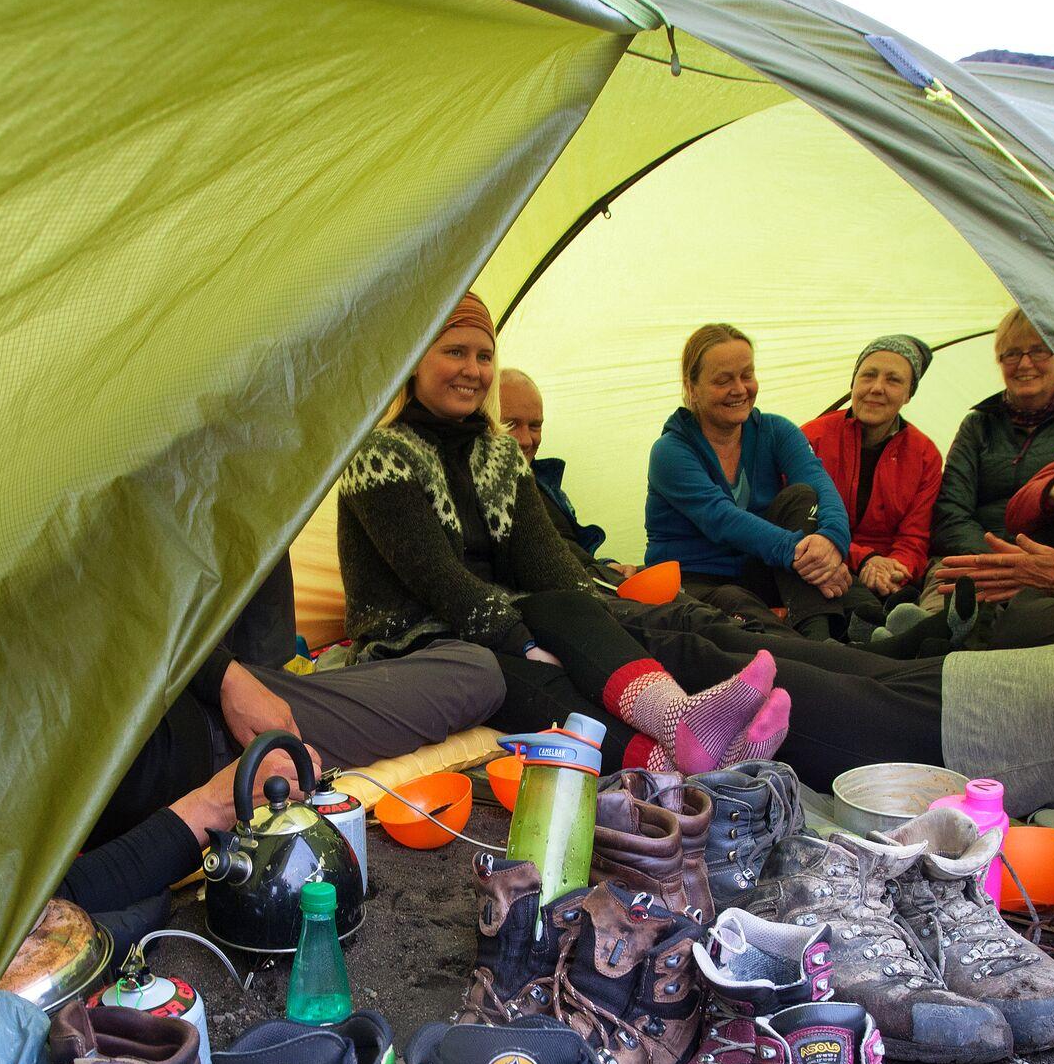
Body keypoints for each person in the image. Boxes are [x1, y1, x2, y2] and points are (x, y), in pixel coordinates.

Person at [630, 447, 1054, 812]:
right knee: (861, 666)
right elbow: (979, 508)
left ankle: (634, 627)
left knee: (837, 687)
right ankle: (641, 620)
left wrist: (879, 557)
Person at [338, 293, 788, 774]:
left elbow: (546, 561)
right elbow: (435, 577)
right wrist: (524, 641)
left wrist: (595, 624)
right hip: (411, 637)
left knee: (570, 605)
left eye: (484, 355)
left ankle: (682, 721)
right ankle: (678, 763)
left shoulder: (499, 454)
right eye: (455, 352)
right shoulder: (377, 454)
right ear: (413, 360)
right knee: (509, 673)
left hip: (491, 614)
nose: (473, 369)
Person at [63, 639, 504, 943]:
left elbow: (140, 607)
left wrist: (225, 677)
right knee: (474, 676)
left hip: (203, 697)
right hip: (202, 784)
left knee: (479, 670)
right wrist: (214, 804)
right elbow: (53, 905)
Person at [644, 323, 854, 631]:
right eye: (723, 380)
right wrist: (805, 555)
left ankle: (860, 629)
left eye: (747, 375)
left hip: (757, 568)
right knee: (745, 610)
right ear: (692, 388)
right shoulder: (671, 452)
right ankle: (827, 641)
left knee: (801, 498)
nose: (740, 389)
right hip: (694, 578)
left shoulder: (776, 430)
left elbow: (819, 482)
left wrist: (831, 541)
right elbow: (720, 518)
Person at [930, 308, 1054, 566]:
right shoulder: (978, 425)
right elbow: (950, 512)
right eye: (1011, 354)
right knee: (947, 596)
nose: (1024, 364)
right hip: (978, 557)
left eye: (1038, 351)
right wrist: (996, 558)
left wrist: (1035, 565)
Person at [800, 334, 940, 626]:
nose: (877, 388)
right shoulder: (811, 437)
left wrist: (893, 569)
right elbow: (799, 518)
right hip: (824, 561)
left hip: (889, 576)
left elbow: (914, 537)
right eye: (868, 376)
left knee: (904, 601)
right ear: (853, 384)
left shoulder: (925, 455)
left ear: (909, 395)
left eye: (893, 380)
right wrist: (863, 559)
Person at [498, 367, 621, 578]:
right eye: (511, 424)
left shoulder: (544, 483)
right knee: (686, 611)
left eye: (535, 426)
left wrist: (607, 566)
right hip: (569, 594)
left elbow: (572, 550)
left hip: (591, 581)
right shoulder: (487, 498)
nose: (526, 440)